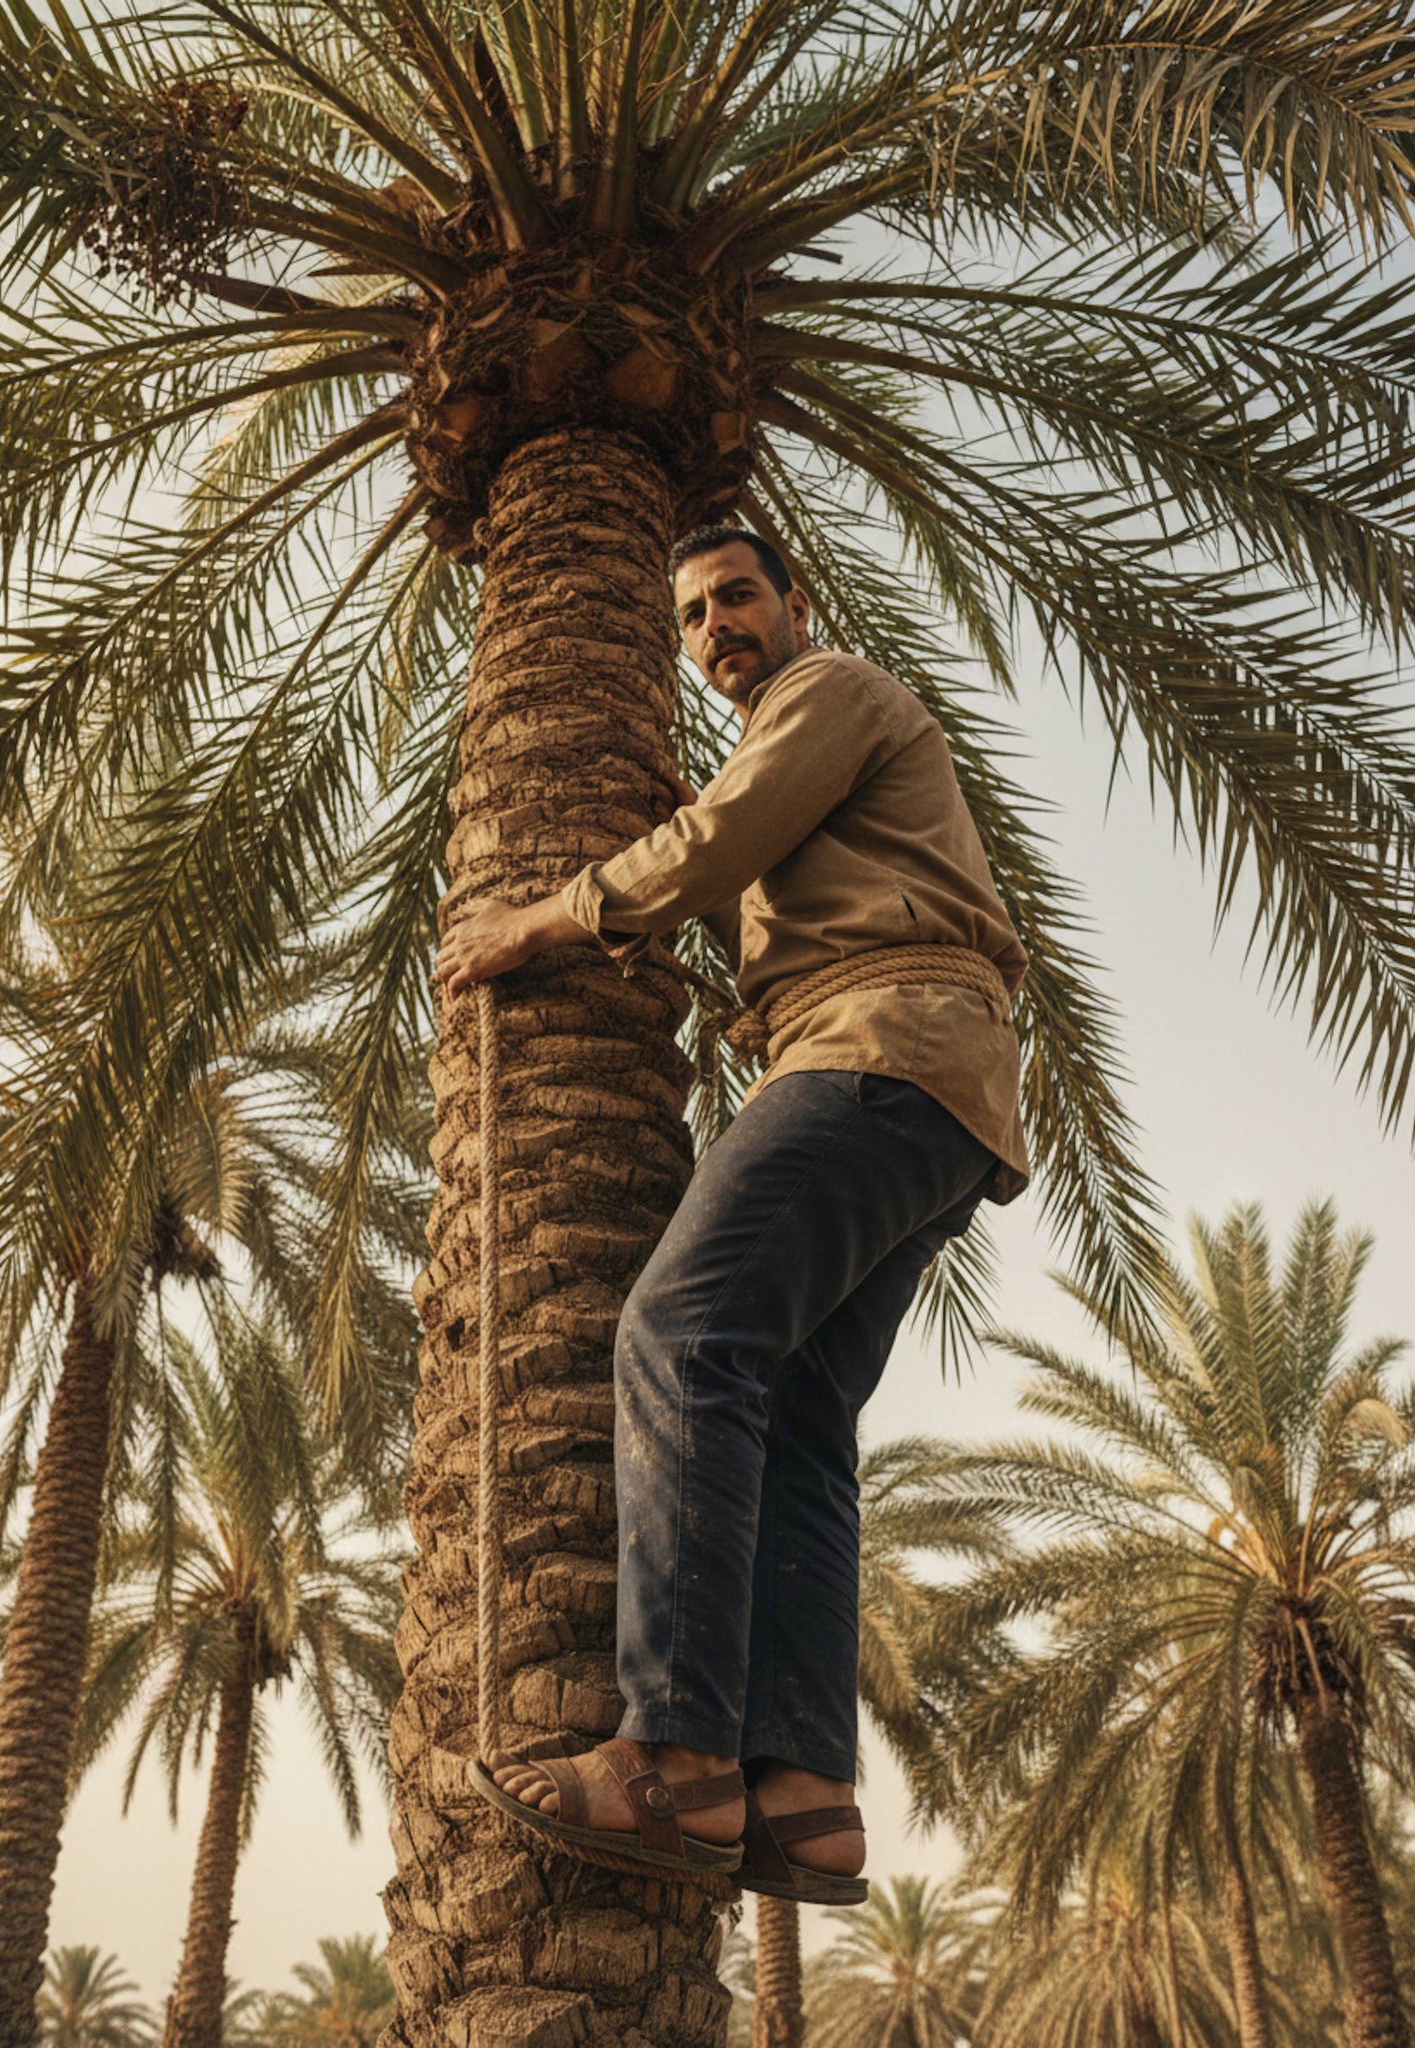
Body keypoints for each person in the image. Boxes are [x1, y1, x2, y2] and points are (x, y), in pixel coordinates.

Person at [437, 525, 1029, 1902]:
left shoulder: (831, 693)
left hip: (875, 1045)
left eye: (737, 597)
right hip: (944, 1089)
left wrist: (539, 920)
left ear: (795, 600)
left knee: (682, 1337)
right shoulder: (809, 748)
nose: (715, 627)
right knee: (804, 1415)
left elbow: (714, 843)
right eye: (693, 615)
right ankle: (809, 1796)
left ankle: (679, 1758)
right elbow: (742, 852)